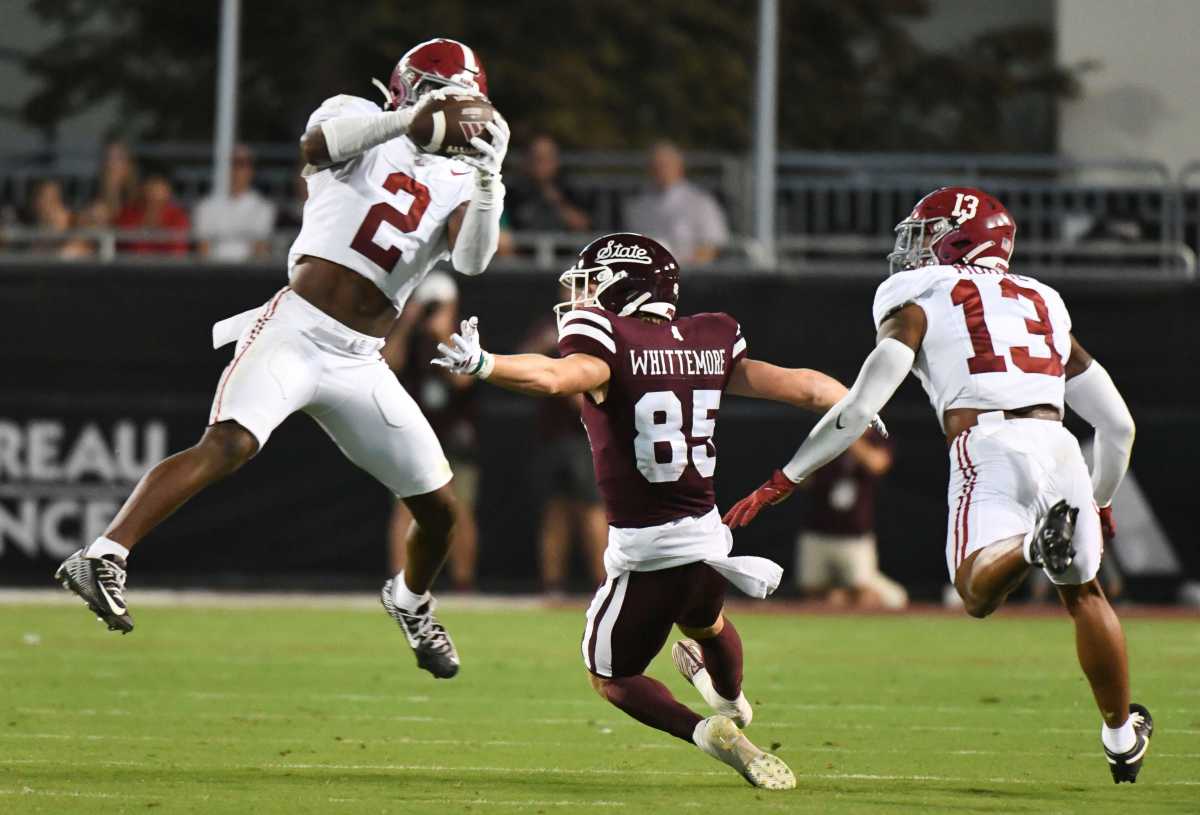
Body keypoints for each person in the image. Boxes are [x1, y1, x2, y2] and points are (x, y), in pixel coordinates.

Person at [54, 38, 509, 681]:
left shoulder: (462, 175)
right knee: (230, 443)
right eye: (439, 99)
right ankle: (102, 556)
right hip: (296, 328)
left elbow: (473, 261)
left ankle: (409, 601)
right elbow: (317, 148)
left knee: (439, 509)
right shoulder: (357, 112)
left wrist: (491, 179)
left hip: (361, 358)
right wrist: (409, 119)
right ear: (408, 89)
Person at [724, 186, 1151, 783]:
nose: (914, 249)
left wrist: (785, 477)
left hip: (987, 442)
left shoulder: (917, 295)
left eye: (927, 234)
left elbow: (859, 408)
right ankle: (1120, 735)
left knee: (975, 594)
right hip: (1059, 445)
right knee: (1084, 594)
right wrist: (1100, 501)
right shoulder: (1044, 299)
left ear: (961, 238)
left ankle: (1032, 546)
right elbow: (1118, 425)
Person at [432, 232, 884, 789]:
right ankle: (734, 703)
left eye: (593, 284)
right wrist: (860, 401)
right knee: (705, 622)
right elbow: (801, 388)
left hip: (646, 551)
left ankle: (707, 731)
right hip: (707, 540)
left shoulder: (608, 340)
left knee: (613, 676)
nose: (584, 297)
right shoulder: (709, 336)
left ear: (624, 284)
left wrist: (484, 363)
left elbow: (554, 377)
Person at [385, 271, 480, 592]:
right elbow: (387, 364)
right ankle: (402, 585)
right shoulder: (411, 339)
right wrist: (408, 323)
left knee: (460, 510)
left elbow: (463, 380)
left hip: (454, 437)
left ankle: (463, 583)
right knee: (405, 510)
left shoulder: (464, 339)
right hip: (414, 437)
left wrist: (444, 332)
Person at [517, 307, 607, 594]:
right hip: (552, 436)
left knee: (593, 510)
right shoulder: (549, 325)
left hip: (586, 437)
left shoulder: (601, 330)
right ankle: (552, 585)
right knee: (555, 511)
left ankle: (605, 583)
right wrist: (546, 345)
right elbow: (522, 363)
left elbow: (583, 398)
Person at [796, 429, 907, 609]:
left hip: (856, 534)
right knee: (813, 589)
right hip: (818, 529)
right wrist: (827, 446)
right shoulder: (823, 434)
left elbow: (878, 464)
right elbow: (803, 479)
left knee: (861, 590)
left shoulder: (877, 436)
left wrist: (850, 438)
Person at [623, 141, 728, 265]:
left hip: (689, 274)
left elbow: (710, 246)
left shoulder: (701, 203)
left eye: (665, 165)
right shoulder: (637, 206)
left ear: (679, 167)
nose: (660, 170)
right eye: (656, 166)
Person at [194, 144, 278, 261]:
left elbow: (259, 249)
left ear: (251, 170)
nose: (236, 169)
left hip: (248, 274)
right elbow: (203, 250)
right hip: (213, 273)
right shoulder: (205, 206)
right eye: (232, 163)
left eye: (242, 164)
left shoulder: (264, 207)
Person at [506, 134, 590, 232]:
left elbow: (582, 225)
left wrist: (558, 203)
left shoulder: (570, 188)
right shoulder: (514, 191)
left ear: (556, 161)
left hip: (561, 245)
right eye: (537, 158)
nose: (541, 164)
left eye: (547, 158)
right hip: (524, 246)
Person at [113, 171, 191, 255]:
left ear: (168, 191)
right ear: (142, 189)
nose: (153, 194)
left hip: (166, 266)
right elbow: (120, 245)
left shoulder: (178, 217)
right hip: (130, 265)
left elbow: (178, 251)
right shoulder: (128, 213)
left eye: (158, 189)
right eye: (150, 188)